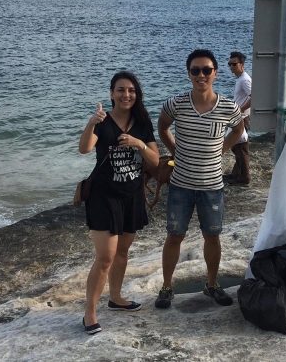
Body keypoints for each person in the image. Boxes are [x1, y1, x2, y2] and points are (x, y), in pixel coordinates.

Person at [154, 49, 245, 309]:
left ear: (215, 73)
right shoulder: (176, 104)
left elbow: (238, 130)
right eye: (196, 70)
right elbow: (162, 127)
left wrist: (222, 149)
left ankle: (212, 284)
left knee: (212, 238)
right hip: (180, 185)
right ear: (189, 74)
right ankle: (167, 287)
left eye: (206, 70)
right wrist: (175, 151)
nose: (201, 75)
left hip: (212, 187)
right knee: (174, 236)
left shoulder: (228, 107)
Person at [78, 71, 160, 335]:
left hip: (131, 195)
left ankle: (115, 298)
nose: (126, 95)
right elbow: (84, 148)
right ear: (112, 93)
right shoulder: (103, 122)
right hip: (103, 196)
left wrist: (138, 144)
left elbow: (155, 160)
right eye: (121, 90)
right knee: (105, 257)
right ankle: (90, 313)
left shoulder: (142, 122)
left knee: (122, 252)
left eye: (131, 90)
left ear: (137, 94)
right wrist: (91, 123)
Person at [227, 51, 252, 185]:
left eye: (234, 64)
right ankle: (236, 173)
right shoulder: (241, 79)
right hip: (239, 116)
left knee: (240, 147)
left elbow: (254, 97)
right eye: (230, 64)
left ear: (242, 64)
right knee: (236, 146)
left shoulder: (245, 80)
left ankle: (244, 177)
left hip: (242, 117)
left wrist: (240, 109)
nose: (231, 66)